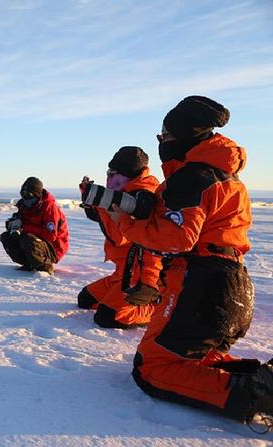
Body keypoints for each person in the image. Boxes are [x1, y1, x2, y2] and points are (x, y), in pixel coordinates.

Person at [115, 95, 272, 424]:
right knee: (193, 357)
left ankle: (256, 394)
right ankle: (261, 380)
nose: (162, 143)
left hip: (200, 284)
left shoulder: (191, 177)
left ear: (183, 137)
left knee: (152, 367)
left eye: (166, 136)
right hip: (231, 282)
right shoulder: (226, 177)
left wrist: (128, 221)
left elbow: (176, 238)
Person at [77, 147, 162, 329]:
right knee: (85, 299)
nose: (109, 178)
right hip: (123, 272)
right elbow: (103, 220)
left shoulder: (143, 198)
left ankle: (158, 306)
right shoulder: (123, 195)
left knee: (108, 317)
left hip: (144, 275)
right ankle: (119, 295)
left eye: (113, 174)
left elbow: (120, 238)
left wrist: (103, 204)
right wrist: (92, 203)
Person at [0, 177, 69, 274]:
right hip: (36, 242)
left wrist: (25, 228)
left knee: (27, 239)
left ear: (37, 195)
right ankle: (29, 263)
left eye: (29, 195)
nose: (25, 199)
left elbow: (51, 236)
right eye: (23, 195)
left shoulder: (49, 208)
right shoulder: (24, 206)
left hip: (54, 247)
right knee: (6, 237)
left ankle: (45, 266)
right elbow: (19, 222)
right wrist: (11, 225)